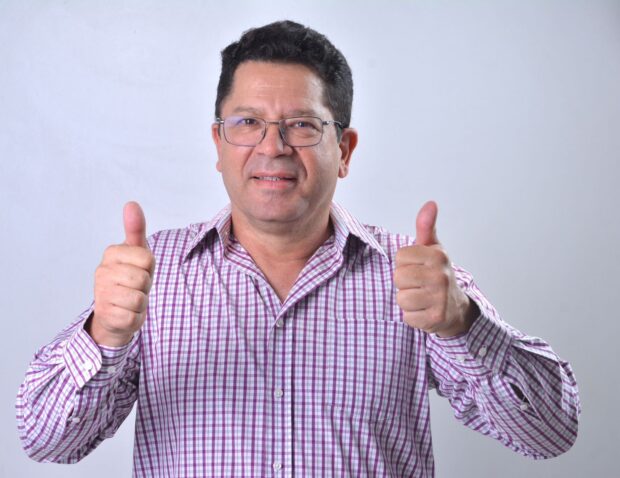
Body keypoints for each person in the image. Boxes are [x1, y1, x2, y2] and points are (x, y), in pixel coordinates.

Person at [16, 20, 580, 477]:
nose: (273, 147)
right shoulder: (152, 276)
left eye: (302, 125)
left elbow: (551, 433)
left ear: (344, 150)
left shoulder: (415, 277)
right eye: (248, 122)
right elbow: (44, 441)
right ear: (218, 143)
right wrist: (104, 337)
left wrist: (463, 326)